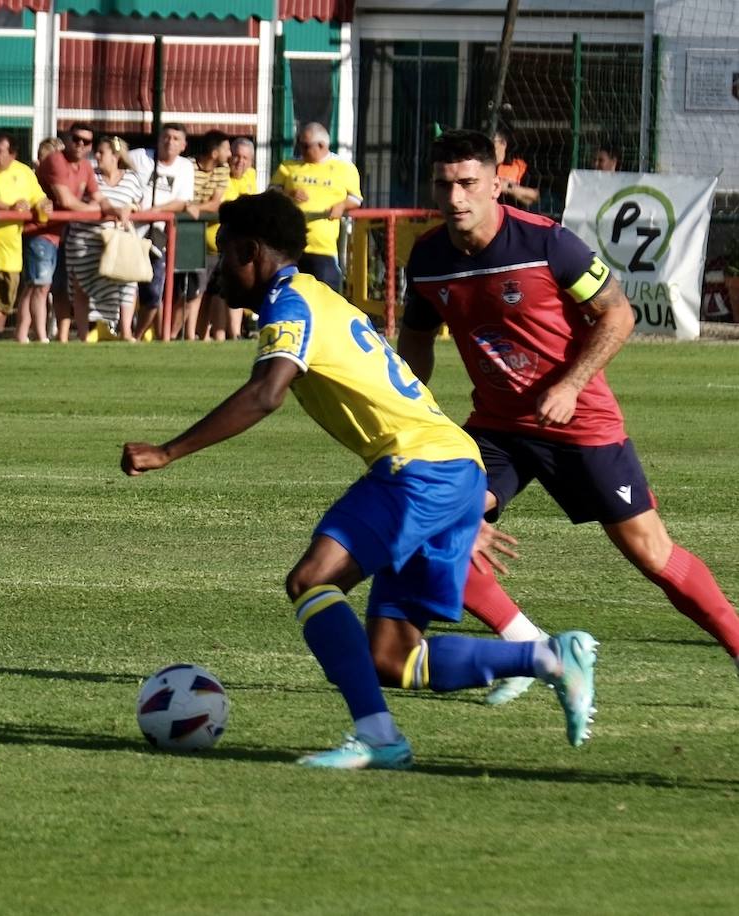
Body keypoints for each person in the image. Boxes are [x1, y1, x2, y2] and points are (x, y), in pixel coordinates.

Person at [120, 189, 598, 770]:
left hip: (417, 467)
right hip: (454, 468)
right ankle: (549, 659)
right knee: (393, 660)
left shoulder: (290, 302)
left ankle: (378, 737)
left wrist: (169, 451)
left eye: (224, 256)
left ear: (250, 251)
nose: (219, 271)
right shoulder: (320, 296)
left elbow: (265, 393)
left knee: (311, 581)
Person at [397, 128, 739, 703]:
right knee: (425, 521)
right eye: (444, 184)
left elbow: (619, 314)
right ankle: (528, 649)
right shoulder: (429, 258)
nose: (455, 197)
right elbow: (417, 345)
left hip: (579, 425)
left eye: (468, 184)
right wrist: (410, 417)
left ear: (496, 185)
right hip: (498, 429)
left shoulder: (546, 242)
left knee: (652, 554)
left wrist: (572, 385)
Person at [29, 121, 101, 344]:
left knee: (60, 289)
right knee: (39, 286)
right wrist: (96, 209)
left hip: (64, 234)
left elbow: (98, 197)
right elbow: (66, 201)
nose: (80, 144)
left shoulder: (86, 167)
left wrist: (115, 207)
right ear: (67, 139)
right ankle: (39, 336)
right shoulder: (55, 160)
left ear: (90, 146)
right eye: (76, 138)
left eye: (85, 141)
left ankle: (61, 337)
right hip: (40, 231)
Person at [62, 135, 140, 341]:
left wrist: (130, 208)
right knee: (81, 285)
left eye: (101, 152)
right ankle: (83, 334)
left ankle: (126, 331)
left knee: (128, 282)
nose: (96, 156)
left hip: (117, 241)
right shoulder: (90, 176)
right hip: (86, 239)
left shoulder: (131, 178)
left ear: (115, 156)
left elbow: (139, 202)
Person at [269, 122, 361, 293]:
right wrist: (289, 193)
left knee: (325, 296)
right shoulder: (289, 166)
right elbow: (271, 192)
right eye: (299, 144)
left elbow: (356, 199)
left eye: (305, 146)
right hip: (290, 247)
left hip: (322, 248)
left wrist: (342, 205)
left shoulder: (344, 168)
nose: (300, 149)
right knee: (289, 295)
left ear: (322, 145)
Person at [129, 124, 198, 340]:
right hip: (130, 232)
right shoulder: (141, 157)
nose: (169, 142)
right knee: (127, 286)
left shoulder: (185, 167)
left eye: (176, 138)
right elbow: (114, 157)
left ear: (183, 145)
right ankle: (125, 334)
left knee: (153, 291)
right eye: (166, 137)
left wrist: (155, 211)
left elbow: (182, 201)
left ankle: (138, 335)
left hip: (158, 236)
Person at [0, 132, 47, 339]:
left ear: (12, 155)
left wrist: (44, 205)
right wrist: (9, 208)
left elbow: (38, 199)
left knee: (1, 306)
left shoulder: (24, 173)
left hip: (10, 255)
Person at [174, 129, 232, 340]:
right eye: (226, 148)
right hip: (183, 232)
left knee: (197, 287)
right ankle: (174, 332)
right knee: (182, 288)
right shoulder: (187, 167)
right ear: (215, 152)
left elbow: (216, 202)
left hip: (201, 233)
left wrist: (197, 208)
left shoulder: (222, 171)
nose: (230, 153)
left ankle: (189, 333)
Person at [203, 137, 260, 341]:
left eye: (245, 157)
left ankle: (234, 333)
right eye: (236, 156)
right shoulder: (220, 176)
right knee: (218, 291)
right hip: (214, 244)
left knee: (234, 288)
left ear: (251, 160)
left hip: (240, 247)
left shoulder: (251, 176)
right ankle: (218, 334)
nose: (239, 161)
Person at [492, 126, 539, 208]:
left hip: (512, 213)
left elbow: (534, 196)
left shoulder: (519, 166)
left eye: (492, 141)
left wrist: (508, 187)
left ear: (503, 143)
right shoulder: (483, 165)